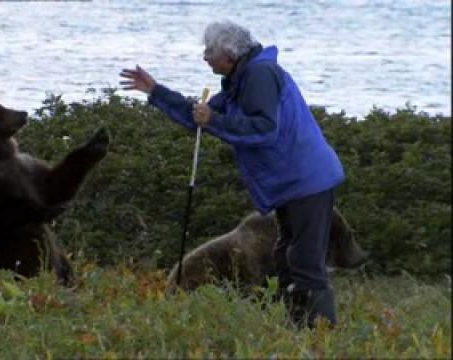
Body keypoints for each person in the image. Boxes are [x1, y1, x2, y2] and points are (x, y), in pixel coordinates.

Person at [119, 20, 345, 329]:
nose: (205, 57)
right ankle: (298, 327)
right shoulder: (239, 79)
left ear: (228, 54)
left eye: (208, 51)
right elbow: (200, 118)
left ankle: (322, 334)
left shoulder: (260, 76)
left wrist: (213, 120)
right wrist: (156, 91)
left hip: (306, 180)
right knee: (285, 259)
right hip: (291, 185)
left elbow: (264, 129)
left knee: (304, 261)